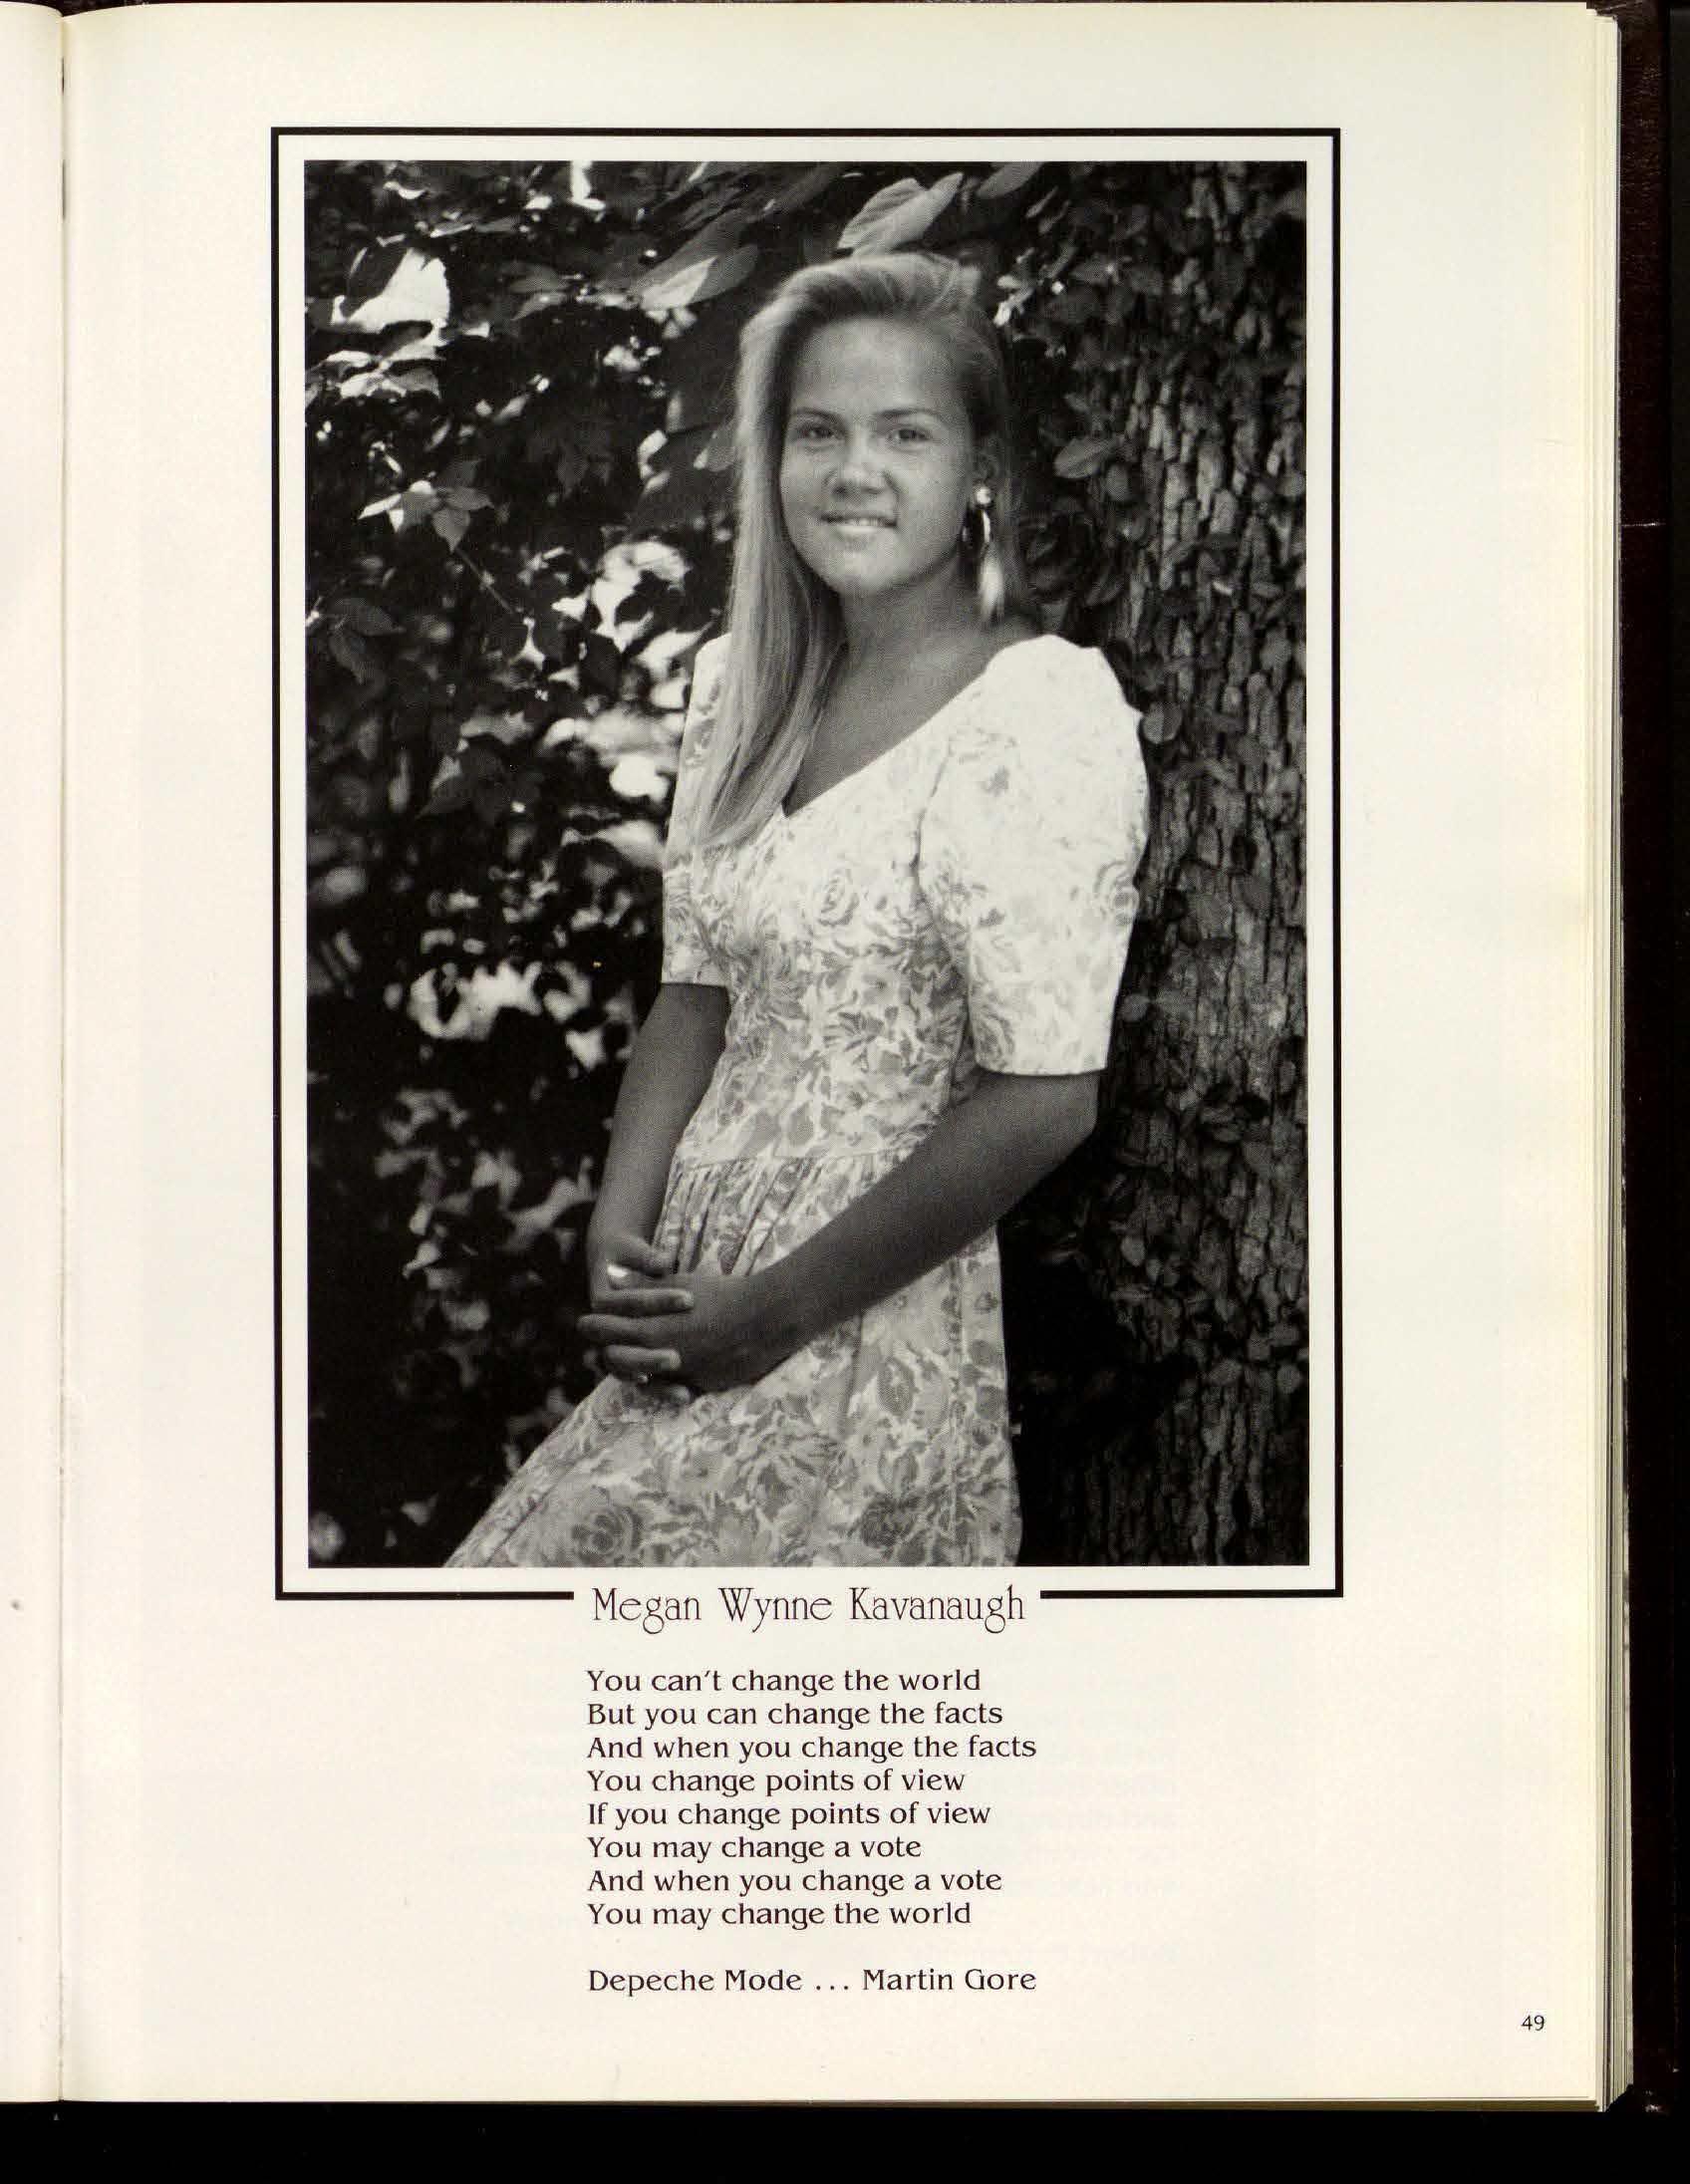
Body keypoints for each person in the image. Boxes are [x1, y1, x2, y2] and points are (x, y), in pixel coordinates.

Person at [447, 250, 1148, 1569]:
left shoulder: (1038, 708)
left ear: (982, 470)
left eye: (906, 434)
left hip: (856, 1320)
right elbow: (695, 997)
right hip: (688, 1304)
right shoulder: (746, 688)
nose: (853, 471)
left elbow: (1046, 1097)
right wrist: (619, 1227)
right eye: (817, 432)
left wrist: (771, 1315)